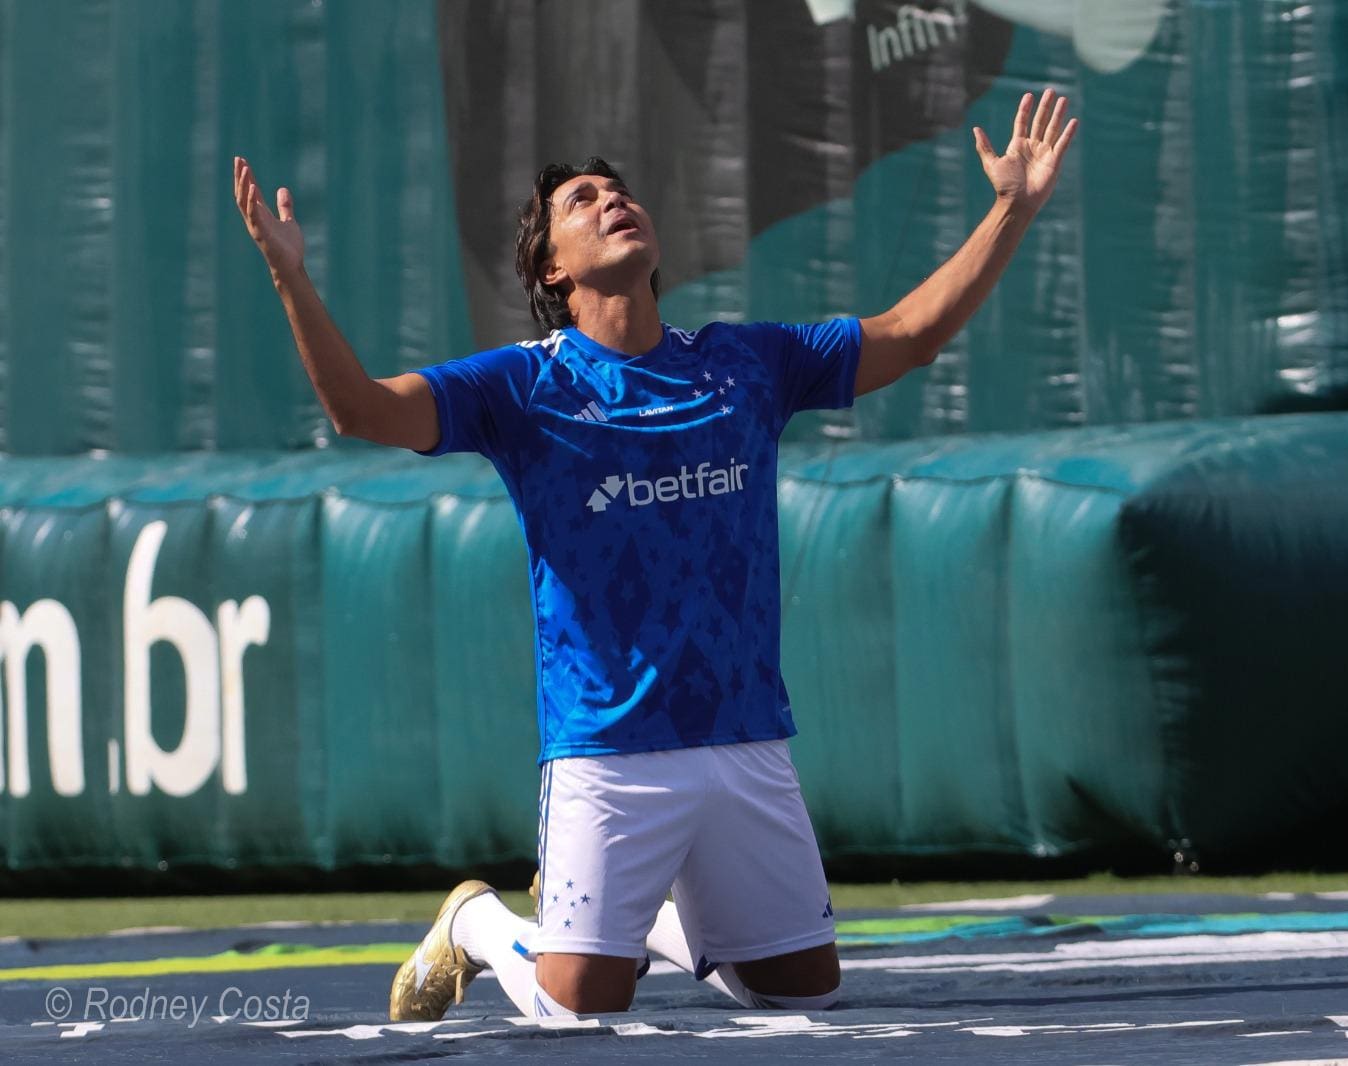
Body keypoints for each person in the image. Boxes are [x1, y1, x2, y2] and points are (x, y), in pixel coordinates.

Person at [232, 88, 1077, 1021]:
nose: (611, 201)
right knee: (578, 1015)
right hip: (609, 748)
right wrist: (289, 277)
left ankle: (649, 922)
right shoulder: (524, 384)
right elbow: (362, 410)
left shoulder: (746, 362)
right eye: (581, 202)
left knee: (799, 992)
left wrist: (1014, 206)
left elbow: (912, 337)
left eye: (618, 190)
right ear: (552, 270)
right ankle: (477, 924)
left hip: (744, 731)